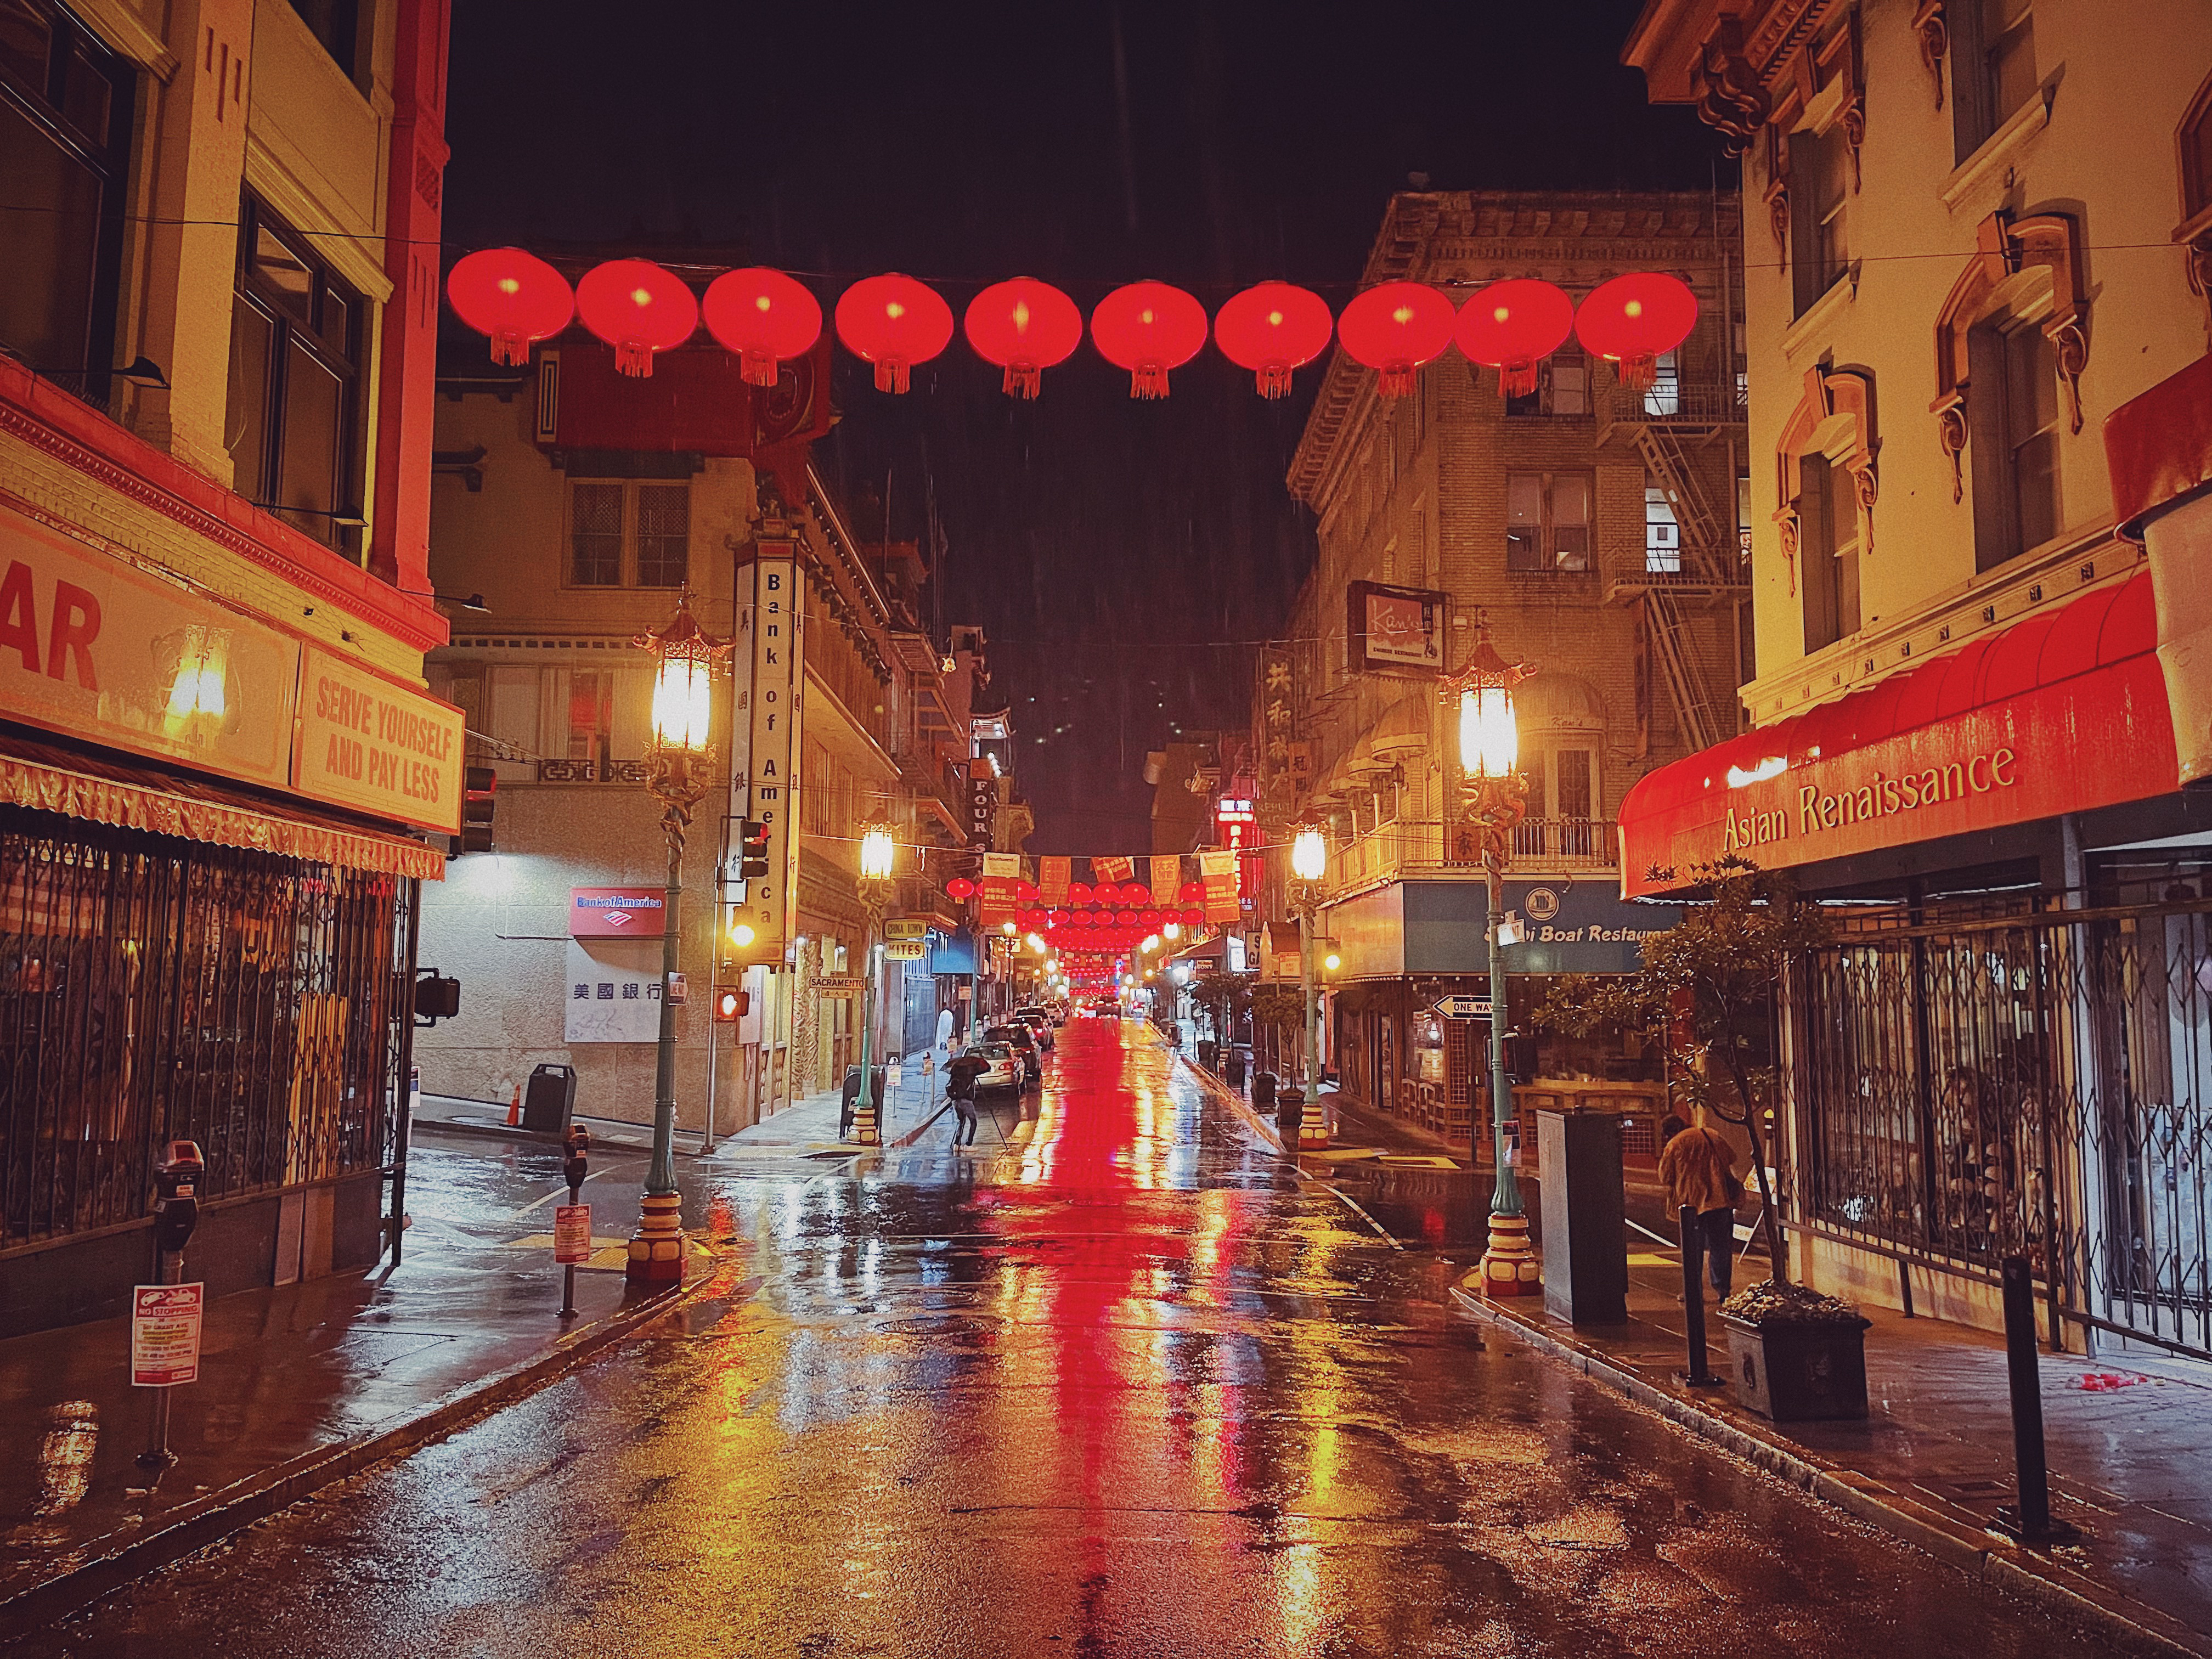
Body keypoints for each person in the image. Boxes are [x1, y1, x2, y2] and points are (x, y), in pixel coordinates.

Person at [1659, 1107, 1745, 1297]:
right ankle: (1723, 1290)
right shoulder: (1711, 1135)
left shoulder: (1674, 1145)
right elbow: (1731, 1158)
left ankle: (1692, 1292)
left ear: (1670, 1132)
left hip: (1691, 1206)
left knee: (1692, 1250)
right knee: (1721, 1247)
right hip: (1720, 1201)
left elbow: (1666, 1177)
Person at [945, 1044, 988, 1149]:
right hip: (966, 1101)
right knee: (973, 1122)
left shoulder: (955, 1072)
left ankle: (957, 1144)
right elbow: (986, 1069)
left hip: (955, 1101)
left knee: (961, 1121)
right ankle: (969, 1144)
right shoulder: (970, 1073)